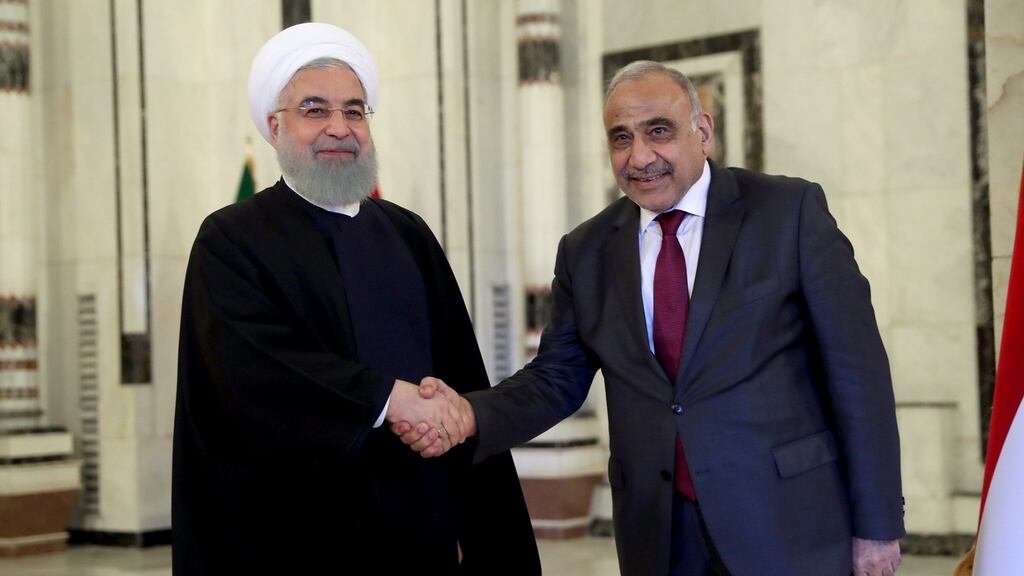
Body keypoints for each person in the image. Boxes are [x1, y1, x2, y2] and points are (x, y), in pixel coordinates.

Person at [397, 60, 905, 575]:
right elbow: (555, 379)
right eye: (621, 138)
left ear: (702, 130)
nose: (639, 157)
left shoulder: (788, 211)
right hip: (660, 537)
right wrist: (467, 414)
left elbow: (857, 374)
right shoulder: (586, 250)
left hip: (788, 526)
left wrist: (878, 526)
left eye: (658, 131)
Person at [171, 22, 539, 575]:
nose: (339, 128)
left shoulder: (408, 234)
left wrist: (469, 515)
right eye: (315, 110)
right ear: (275, 127)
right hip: (293, 534)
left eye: (355, 111)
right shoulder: (231, 238)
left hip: (419, 524)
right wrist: (390, 399)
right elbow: (251, 374)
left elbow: (459, 370)